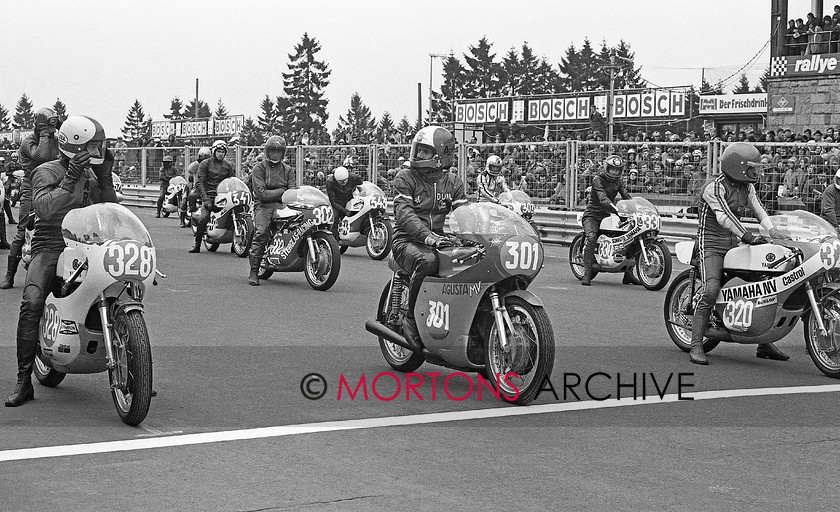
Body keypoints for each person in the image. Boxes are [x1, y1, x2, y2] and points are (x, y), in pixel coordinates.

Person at [5, 115, 118, 407]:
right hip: (50, 246)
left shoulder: (92, 174)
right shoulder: (45, 171)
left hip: (86, 244)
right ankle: (23, 380)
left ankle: (133, 367)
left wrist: (105, 177)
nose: (98, 152)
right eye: (93, 147)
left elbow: (109, 212)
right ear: (75, 147)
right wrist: (70, 178)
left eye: (100, 147)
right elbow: (43, 208)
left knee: (117, 291)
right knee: (31, 302)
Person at [689, 142, 789, 365]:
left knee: (763, 283)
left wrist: (773, 230)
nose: (757, 172)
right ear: (738, 166)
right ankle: (696, 343)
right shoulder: (713, 187)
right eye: (753, 167)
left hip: (733, 243)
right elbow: (724, 216)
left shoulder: (747, 186)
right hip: (711, 244)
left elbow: (758, 208)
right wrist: (748, 236)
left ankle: (763, 341)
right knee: (711, 289)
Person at [391, 126, 467, 351]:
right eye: (418, 150)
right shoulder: (405, 176)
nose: (418, 155)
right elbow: (404, 214)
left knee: (471, 261)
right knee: (429, 261)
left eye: (424, 151)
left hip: (441, 240)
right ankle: (412, 320)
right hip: (406, 240)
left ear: (441, 154)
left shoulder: (453, 182)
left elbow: (464, 214)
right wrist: (429, 237)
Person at [0, 108, 61, 289]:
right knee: (22, 231)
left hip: (52, 185)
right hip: (32, 187)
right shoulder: (29, 142)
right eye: (50, 123)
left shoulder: (54, 140)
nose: (53, 128)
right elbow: (41, 157)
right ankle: (9, 275)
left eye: (54, 123)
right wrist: (44, 133)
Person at [580, 155, 635, 286]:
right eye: (612, 169)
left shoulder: (619, 182)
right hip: (593, 214)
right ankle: (587, 273)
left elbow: (626, 196)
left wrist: (634, 207)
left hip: (609, 214)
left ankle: (629, 275)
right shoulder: (597, 179)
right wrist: (616, 209)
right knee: (592, 238)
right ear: (607, 168)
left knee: (630, 236)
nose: (615, 172)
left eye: (617, 170)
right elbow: (603, 198)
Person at [248, 136, 294, 286]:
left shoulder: (288, 170)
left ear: (283, 153)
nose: (275, 154)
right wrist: (282, 190)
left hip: (283, 205)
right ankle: (254, 271)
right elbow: (261, 193)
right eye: (273, 151)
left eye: (278, 151)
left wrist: (285, 194)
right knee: (261, 232)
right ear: (268, 152)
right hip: (263, 205)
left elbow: (292, 191)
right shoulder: (259, 168)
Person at [190, 140, 234, 253]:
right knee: (204, 217)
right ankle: (197, 244)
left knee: (234, 213)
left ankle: (236, 243)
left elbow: (232, 181)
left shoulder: (228, 166)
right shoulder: (205, 164)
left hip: (223, 194)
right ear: (214, 151)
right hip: (209, 194)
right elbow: (199, 182)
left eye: (223, 152)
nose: (221, 154)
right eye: (219, 151)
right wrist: (206, 199)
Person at [326, 165, 364, 238]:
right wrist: (345, 211)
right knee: (334, 217)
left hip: (350, 200)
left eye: (345, 181)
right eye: (340, 182)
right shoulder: (330, 182)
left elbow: (363, 185)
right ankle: (333, 239)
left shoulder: (354, 177)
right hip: (337, 202)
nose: (343, 183)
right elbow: (332, 201)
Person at [181, 146, 211, 228]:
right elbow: (190, 169)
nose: (205, 159)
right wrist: (198, 162)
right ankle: (191, 212)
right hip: (197, 187)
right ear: (199, 157)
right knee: (191, 196)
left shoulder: (211, 164)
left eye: (207, 157)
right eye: (203, 157)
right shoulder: (196, 165)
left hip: (209, 187)